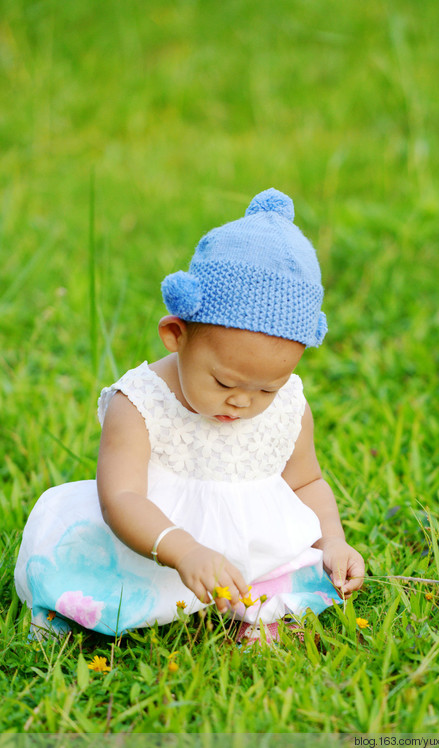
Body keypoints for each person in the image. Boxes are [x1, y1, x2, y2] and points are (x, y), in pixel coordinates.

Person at [14, 188, 364, 642]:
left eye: (266, 389)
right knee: (94, 578)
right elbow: (120, 498)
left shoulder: (289, 406)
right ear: (176, 334)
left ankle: (257, 611)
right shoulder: (140, 402)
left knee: (291, 570)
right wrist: (183, 551)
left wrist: (331, 542)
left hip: (251, 544)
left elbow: (306, 482)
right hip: (151, 544)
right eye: (223, 383)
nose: (242, 403)